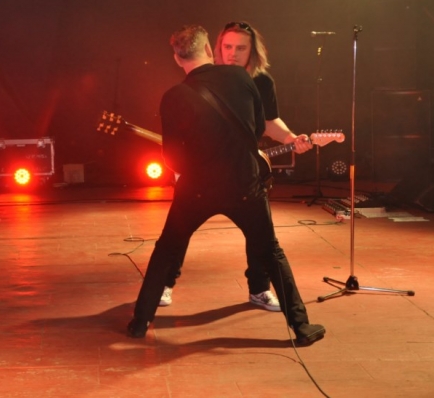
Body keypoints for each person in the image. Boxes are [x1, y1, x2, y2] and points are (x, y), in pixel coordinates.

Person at [127, 24, 325, 346]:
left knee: (166, 250)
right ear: (209, 50)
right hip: (245, 185)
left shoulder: (173, 96)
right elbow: (257, 129)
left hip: (197, 188)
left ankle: (139, 324)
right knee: (271, 252)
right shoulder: (241, 78)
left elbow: (171, 157)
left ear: (177, 59)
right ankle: (302, 328)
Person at [159, 21, 313, 312]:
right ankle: (163, 283)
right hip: (203, 173)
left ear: (253, 51)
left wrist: (292, 138)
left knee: (260, 234)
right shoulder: (206, 77)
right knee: (178, 230)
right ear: (215, 49)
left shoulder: (262, 82)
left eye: (240, 48)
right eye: (227, 47)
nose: (232, 53)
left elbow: (268, 122)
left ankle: (259, 288)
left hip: (244, 174)